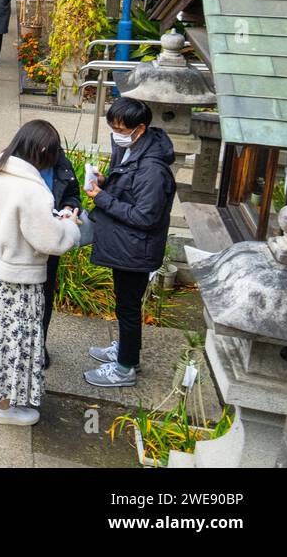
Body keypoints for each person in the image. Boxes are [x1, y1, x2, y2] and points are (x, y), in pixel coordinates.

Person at [0, 120, 83, 426]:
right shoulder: (30, 189)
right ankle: (5, 406)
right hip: (18, 277)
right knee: (14, 342)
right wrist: (70, 225)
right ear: (41, 151)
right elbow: (50, 240)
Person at [84, 98, 177, 388]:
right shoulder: (133, 148)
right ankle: (128, 351)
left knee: (127, 306)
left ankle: (125, 368)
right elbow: (129, 190)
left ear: (140, 128)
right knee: (126, 304)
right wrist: (106, 182)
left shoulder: (152, 168)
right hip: (127, 244)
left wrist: (102, 197)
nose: (115, 133)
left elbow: (144, 216)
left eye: (120, 129)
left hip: (135, 247)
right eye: (112, 127)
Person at [41, 146, 83, 370]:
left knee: (45, 297)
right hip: (21, 249)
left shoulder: (60, 164)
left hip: (50, 245)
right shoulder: (15, 168)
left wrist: (68, 208)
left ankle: (39, 344)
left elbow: (72, 195)